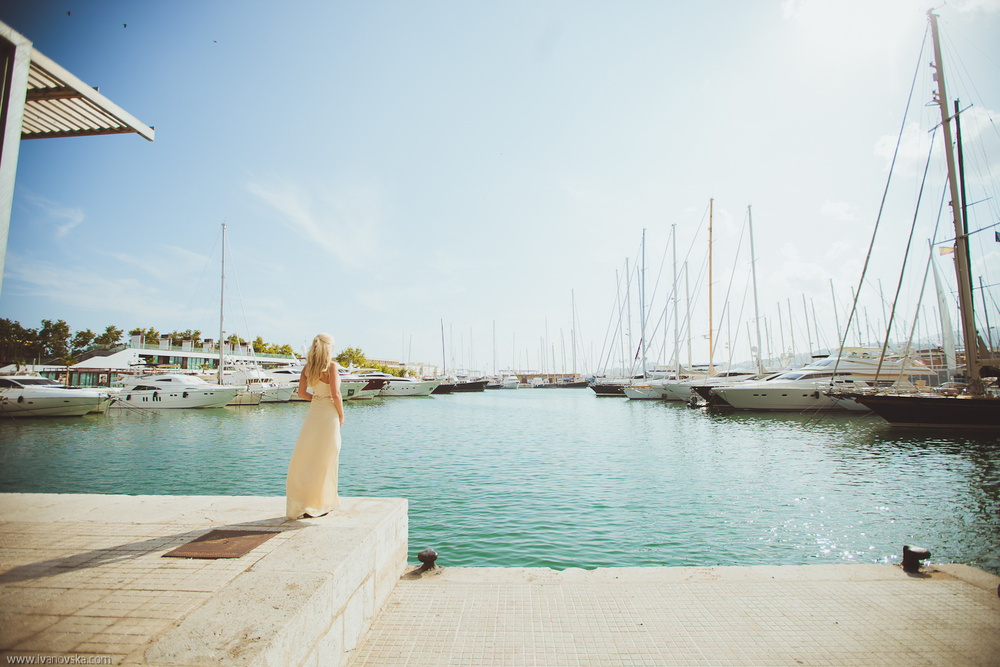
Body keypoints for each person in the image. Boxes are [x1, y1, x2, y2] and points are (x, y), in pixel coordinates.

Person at [285, 333, 345, 520]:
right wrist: (341, 415)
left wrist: (317, 398)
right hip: (329, 416)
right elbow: (336, 394)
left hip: (313, 416)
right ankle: (321, 503)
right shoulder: (332, 367)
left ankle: (305, 503)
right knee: (327, 459)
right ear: (329, 348)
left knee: (307, 458)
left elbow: (302, 393)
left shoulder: (307, 368)